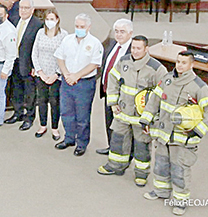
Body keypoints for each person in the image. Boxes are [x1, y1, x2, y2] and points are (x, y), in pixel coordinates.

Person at [140, 51, 208, 216]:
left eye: (184, 63)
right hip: (164, 134)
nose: (179, 65)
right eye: (178, 61)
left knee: (180, 170)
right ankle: (161, 191)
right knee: (161, 164)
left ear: (192, 65)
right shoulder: (167, 80)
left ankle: (180, 201)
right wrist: (145, 119)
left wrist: (197, 132)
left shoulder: (199, 87)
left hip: (183, 138)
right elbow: (154, 101)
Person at [97, 35, 168, 187]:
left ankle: (141, 174)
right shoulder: (124, 61)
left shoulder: (157, 68)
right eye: (133, 48)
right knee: (118, 140)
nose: (135, 51)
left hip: (142, 117)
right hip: (122, 112)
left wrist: (151, 116)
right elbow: (113, 79)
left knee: (142, 146)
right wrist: (113, 102)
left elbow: (162, 93)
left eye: (138, 48)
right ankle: (116, 166)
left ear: (146, 49)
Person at [54, 13, 103, 156]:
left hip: (84, 83)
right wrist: (66, 74)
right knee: (66, 112)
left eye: (82, 27)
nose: (79, 29)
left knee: (82, 116)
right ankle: (69, 138)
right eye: (77, 26)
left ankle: (82, 143)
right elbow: (60, 57)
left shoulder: (95, 43)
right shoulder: (67, 40)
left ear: (89, 27)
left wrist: (77, 75)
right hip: (67, 81)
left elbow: (94, 64)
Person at [4, 0, 43, 131]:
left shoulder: (37, 24)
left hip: (28, 63)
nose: (23, 10)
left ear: (32, 10)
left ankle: (29, 117)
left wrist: (35, 66)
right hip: (14, 61)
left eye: (26, 8)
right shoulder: (14, 19)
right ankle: (18, 113)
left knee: (30, 92)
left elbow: (38, 47)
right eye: (21, 7)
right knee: (16, 89)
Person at [96, 19, 134, 155]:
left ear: (130, 33)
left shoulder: (132, 52)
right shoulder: (112, 45)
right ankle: (111, 147)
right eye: (116, 31)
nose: (118, 35)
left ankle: (122, 153)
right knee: (109, 122)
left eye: (122, 32)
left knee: (121, 127)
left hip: (122, 97)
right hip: (108, 93)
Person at [31, 9, 67, 141]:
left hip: (56, 75)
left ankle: (55, 128)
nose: (49, 22)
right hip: (41, 74)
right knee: (41, 100)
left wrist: (56, 74)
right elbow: (34, 53)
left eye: (52, 19)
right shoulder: (40, 33)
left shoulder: (64, 35)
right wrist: (39, 71)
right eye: (47, 19)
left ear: (57, 20)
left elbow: (65, 56)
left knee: (55, 101)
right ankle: (42, 125)